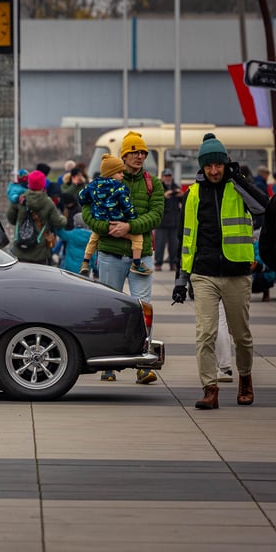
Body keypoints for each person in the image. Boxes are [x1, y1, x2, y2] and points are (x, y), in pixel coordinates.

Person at [171, 133, 268, 410]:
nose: (214, 171)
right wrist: (181, 280)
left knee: (242, 335)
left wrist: (238, 179)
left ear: (226, 164)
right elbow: (184, 238)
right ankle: (209, 388)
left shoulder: (238, 187)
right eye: (209, 166)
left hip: (237, 272)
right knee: (205, 333)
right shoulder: (192, 194)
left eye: (219, 165)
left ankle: (245, 378)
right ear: (202, 167)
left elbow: (263, 208)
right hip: (204, 274)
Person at [82, 130, 164, 385]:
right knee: (111, 309)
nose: (139, 156)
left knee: (142, 309)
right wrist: (107, 228)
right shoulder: (103, 181)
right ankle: (110, 364)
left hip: (143, 254)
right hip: (110, 252)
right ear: (124, 156)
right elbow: (86, 211)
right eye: (134, 152)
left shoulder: (154, 183)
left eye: (142, 152)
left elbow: (157, 214)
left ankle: (142, 364)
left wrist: (130, 227)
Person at [78, 154, 151, 277]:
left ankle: (85, 262)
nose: (122, 175)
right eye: (119, 172)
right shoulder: (120, 188)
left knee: (93, 239)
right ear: (111, 173)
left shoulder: (93, 185)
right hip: (119, 222)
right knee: (138, 238)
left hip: (102, 223)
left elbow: (81, 196)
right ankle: (137, 263)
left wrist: (91, 203)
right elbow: (127, 206)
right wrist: (132, 219)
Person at [7, 170, 66, 264]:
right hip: (40, 252)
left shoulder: (20, 199)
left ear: (29, 184)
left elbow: (11, 219)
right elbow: (57, 222)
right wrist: (64, 219)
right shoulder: (48, 202)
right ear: (43, 184)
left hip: (21, 248)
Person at [154, 168, 183, 271]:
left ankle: (174, 264)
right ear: (162, 177)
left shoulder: (176, 187)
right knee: (160, 245)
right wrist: (164, 196)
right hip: (162, 222)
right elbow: (154, 202)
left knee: (175, 245)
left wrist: (182, 196)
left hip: (174, 222)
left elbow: (183, 202)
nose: (168, 178)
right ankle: (158, 263)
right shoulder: (158, 188)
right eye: (166, 176)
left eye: (169, 176)